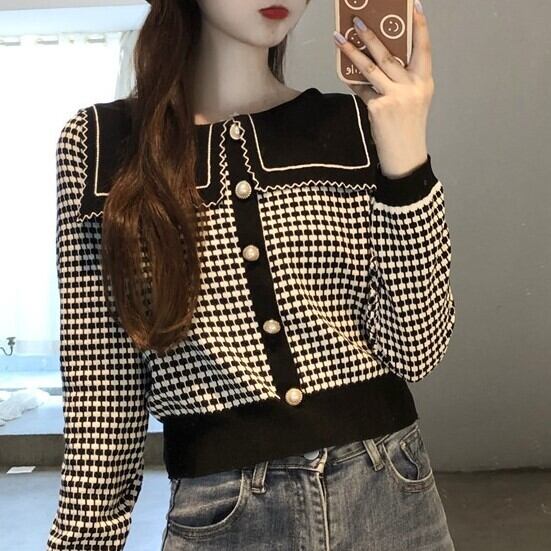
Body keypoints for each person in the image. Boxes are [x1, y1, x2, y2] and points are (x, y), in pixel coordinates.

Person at [46, 0, 456, 549]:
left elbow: (416, 350)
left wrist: (408, 158)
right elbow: (103, 393)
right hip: (223, 514)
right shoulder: (101, 144)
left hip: (390, 492)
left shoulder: (352, 123)